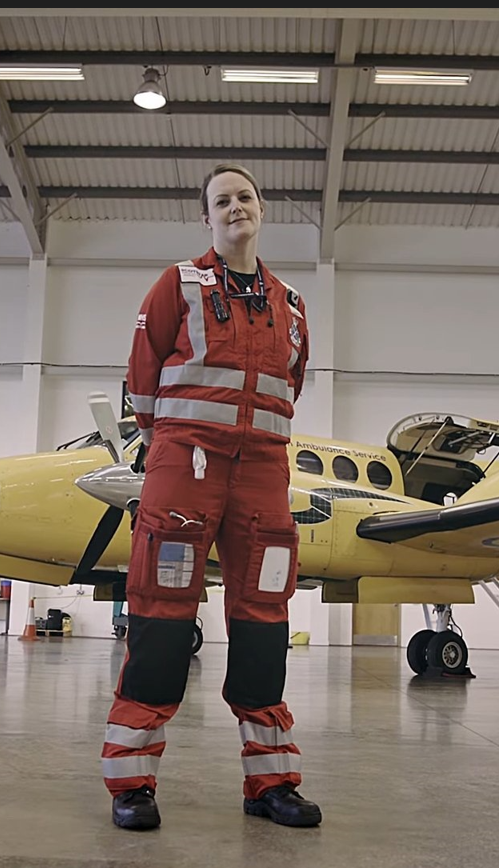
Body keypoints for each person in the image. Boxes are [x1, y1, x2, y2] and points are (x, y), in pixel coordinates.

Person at [99, 164, 320, 831]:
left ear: (261, 209)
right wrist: (172, 443)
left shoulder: (291, 303)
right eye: (221, 200)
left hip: (262, 471)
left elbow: (291, 386)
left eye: (244, 197)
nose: (234, 208)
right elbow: (142, 382)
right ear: (207, 217)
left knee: (264, 620)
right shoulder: (177, 284)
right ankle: (131, 782)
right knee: (162, 614)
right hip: (184, 463)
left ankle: (270, 781)